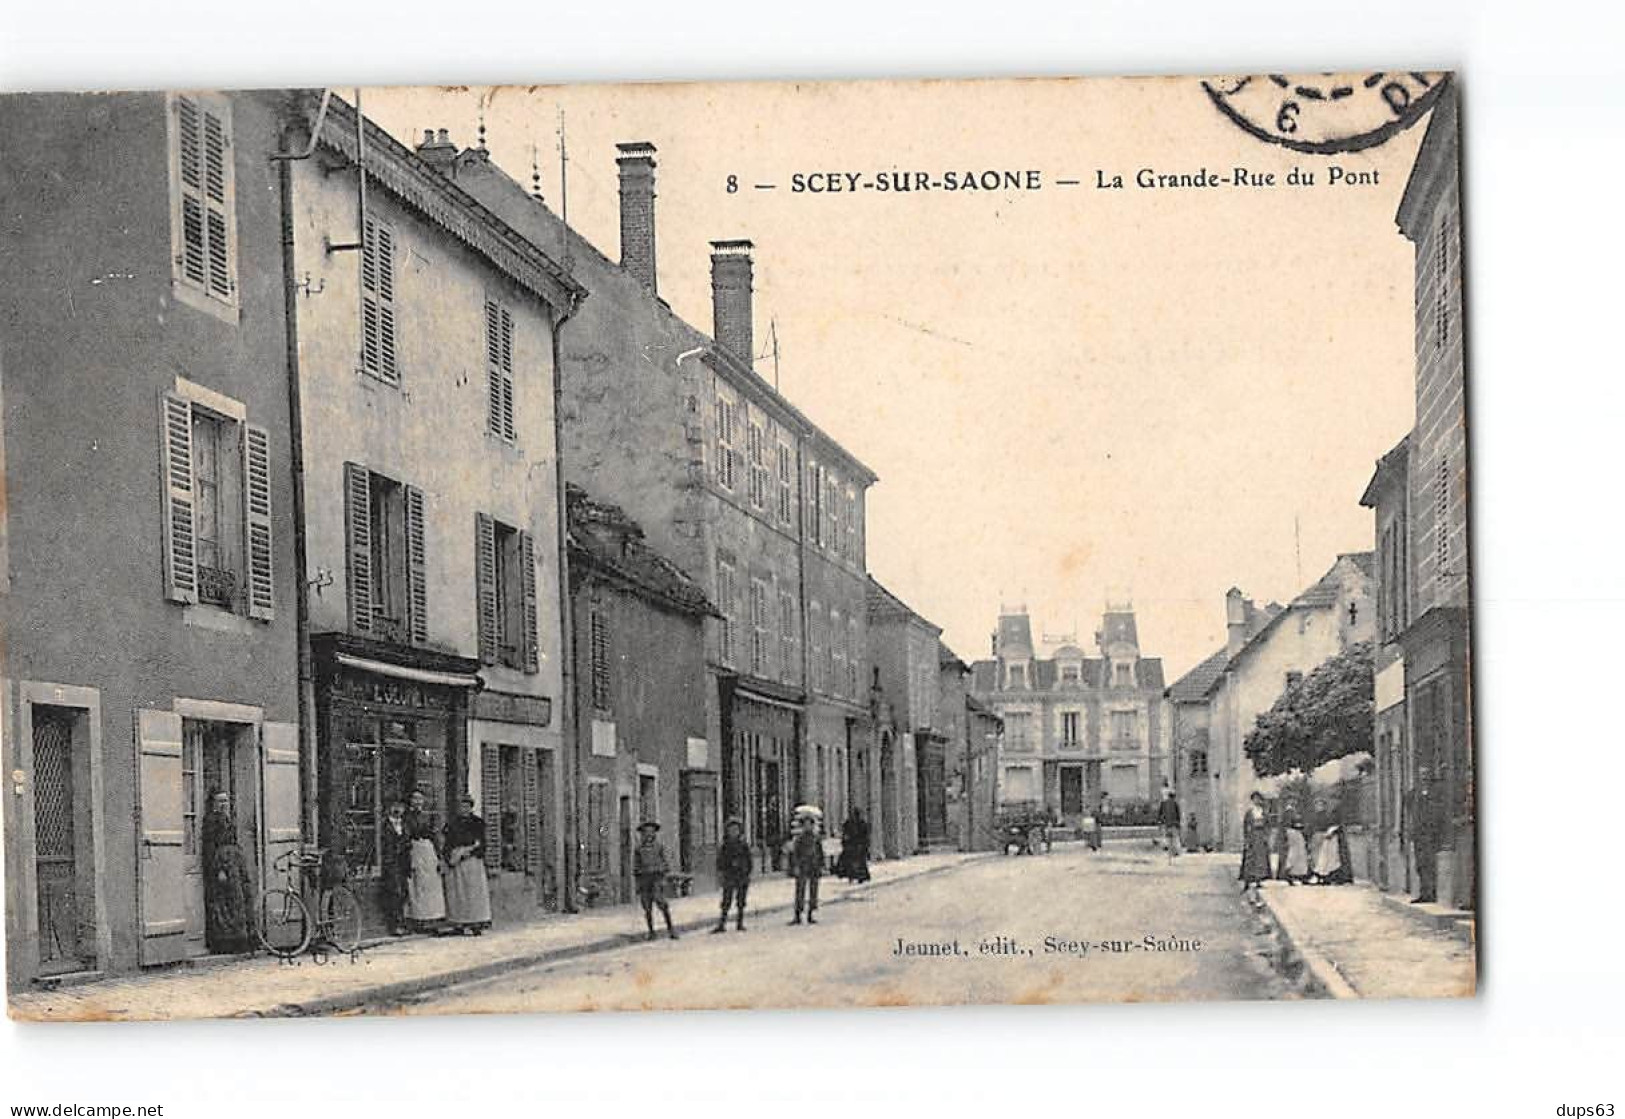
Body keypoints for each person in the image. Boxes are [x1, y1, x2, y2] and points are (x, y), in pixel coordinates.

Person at [201, 790, 253, 954]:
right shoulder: (211, 821)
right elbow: (210, 847)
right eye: (220, 801)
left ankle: (241, 939)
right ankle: (225, 942)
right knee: (224, 903)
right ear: (213, 803)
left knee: (239, 899)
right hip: (222, 862)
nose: (224, 804)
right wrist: (219, 870)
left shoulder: (227, 819)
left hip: (234, 862)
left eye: (225, 801)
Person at [442, 796, 492, 935]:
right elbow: (448, 843)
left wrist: (471, 852)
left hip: (472, 861)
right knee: (459, 893)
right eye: (461, 807)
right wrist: (449, 857)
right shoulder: (452, 823)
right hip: (457, 860)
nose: (464, 809)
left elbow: (482, 843)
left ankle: (476, 923)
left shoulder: (478, 823)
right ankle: (459, 922)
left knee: (473, 893)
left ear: (471, 808)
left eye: (467, 806)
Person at [402, 790, 446, 932]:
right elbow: (406, 836)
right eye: (414, 798)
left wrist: (438, 856)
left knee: (429, 886)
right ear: (410, 801)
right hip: (415, 850)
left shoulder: (426, 817)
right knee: (417, 886)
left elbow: (433, 835)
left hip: (428, 852)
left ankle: (430, 918)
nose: (418, 802)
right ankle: (417, 920)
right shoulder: (406, 818)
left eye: (420, 799)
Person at [634, 820, 678, 940]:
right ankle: (651, 931)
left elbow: (665, 862)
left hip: (657, 878)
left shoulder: (659, 847)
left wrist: (663, 876)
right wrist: (638, 882)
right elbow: (636, 867)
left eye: (651, 832)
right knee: (647, 907)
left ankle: (671, 929)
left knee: (662, 904)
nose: (649, 835)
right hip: (644, 879)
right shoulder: (638, 849)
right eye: (646, 832)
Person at [1404, 767, 1441, 903]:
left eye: (1426, 774)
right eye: (1421, 774)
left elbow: (1437, 812)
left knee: (1430, 863)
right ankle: (1424, 893)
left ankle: (1432, 892)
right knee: (1420, 864)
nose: (1424, 777)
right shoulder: (1414, 793)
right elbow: (1410, 809)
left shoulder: (1435, 792)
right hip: (1418, 834)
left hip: (1430, 834)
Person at [712, 817, 752, 933]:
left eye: (736, 829)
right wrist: (722, 872)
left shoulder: (743, 845)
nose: (733, 832)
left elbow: (749, 860)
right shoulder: (725, 846)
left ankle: (740, 923)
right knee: (726, 900)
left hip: (741, 875)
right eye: (731, 829)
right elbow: (720, 861)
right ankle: (722, 924)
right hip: (729, 875)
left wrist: (746, 872)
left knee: (741, 901)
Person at [380, 800, 411, 935]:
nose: (397, 810)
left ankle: (402, 923)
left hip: (403, 863)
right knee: (394, 893)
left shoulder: (405, 824)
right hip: (390, 863)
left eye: (400, 807)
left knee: (403, 892)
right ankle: (394, 925)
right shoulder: (383, 824)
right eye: (394, 807)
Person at [788, 815, 824, 925]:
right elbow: (795, 854)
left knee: (813, 891)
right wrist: (796, 866)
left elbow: (820, 853)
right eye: (806, 825)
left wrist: (821, 866)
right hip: (803, 866)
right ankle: (798, 914)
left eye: (810, 824)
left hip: (814, 866)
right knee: (800, 891)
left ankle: (810, 914)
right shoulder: (799, 839)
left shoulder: (816, 838)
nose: (808, 827)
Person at [1238, 792, 1271, 897]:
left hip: (1261, 837)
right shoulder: (1249, 812)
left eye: (1258, 799)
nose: (1257, 801)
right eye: (1255, 799)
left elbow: (1267, 825)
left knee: (1260, 859)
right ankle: (1247, 882)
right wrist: (1246, 839)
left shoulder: (1263, 812)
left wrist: (1266, 836)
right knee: (1250, 859)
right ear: (1252, 800)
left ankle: (1258, 880)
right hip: (1252, 836)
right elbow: (1245, 826)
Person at [839, 809, 872, 883]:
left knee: (854, 863)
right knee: (858, 863)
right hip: (856, 846)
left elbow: (845, 834)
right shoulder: (861, 823)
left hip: (854, 846)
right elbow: (865, 835)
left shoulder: (851, 823)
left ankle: (855, 876)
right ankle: (859, 876)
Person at [1281, 804, 1310, 884]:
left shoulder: (1298, 811)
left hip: (1299, 833)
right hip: (1291, 833)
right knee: (1293, 854)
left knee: (1301, 854)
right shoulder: (1288, 812)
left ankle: (1301, 875)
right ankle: (1290, 875)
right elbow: (1286, 824)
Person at [1156, 789, 1182, 858]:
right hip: (1174, 824)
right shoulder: (1175, 803)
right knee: (1175, 838)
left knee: (1166, 836)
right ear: (1173, 796)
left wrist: (1159, 821)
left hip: (1166, 823)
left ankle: (1166, 847)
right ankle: (1176, 851)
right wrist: (1178, 823)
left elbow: (1159, 813)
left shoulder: (1163, 803)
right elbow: (1178, 815)